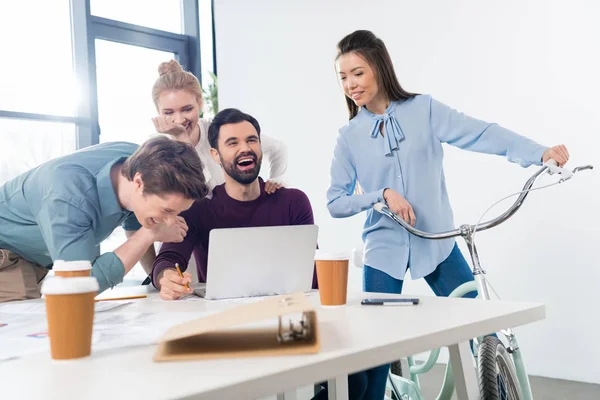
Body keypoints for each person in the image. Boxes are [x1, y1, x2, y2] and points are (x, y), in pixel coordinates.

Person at [323, 30, 570, 399]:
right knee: (373, 354)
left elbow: (481, 133)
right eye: (343, 77)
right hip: (383, 249)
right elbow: (335, 201)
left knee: (481, 330)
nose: (350, 84)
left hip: (437, 242)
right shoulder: (349, 137)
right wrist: (381, 196)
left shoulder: (424, 110)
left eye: (357, 72)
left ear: (378, 66)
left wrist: (540, 153)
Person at [0, 136, 208, 302]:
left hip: (35, 259)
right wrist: (150, 233)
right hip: (8, 255)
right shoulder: (68, 197)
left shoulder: (138, 162)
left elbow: (136, 220)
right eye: (167, 211)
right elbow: (78, 287)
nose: (171, 221)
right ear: (138, 183)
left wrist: (161, 277)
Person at [152, 108, 316, 300]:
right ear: (215, 155)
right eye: (232, 143)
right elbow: (166, 260)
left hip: (284, 310)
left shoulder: (293, 202)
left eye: (252, 140)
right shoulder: (198, 210)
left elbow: (312, 270)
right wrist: (168, 278)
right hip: (219, 315)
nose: (245, 148)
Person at [150, 59, 288, 195]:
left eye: (187, 109)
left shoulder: (219, 131)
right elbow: (202, 193)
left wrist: (276, 179)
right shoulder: (157, 149)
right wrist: (181, 139)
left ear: (200, 103)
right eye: (169, 112)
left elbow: (278, 148)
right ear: (158, 111)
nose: (179, 120)